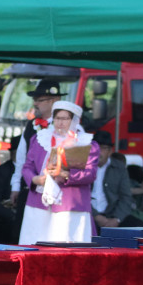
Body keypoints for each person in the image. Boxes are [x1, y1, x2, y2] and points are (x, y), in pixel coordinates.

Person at [18, 101, 98, 244]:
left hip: (70, 203)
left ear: (74, 120)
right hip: (39, 201)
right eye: (57, 118)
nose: (60, 123)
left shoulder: (86, 143)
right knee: (35, 242)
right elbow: (27, 167)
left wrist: (66, 175)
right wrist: (36, 179)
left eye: (65, 119)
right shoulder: (39, 139)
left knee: (66, 244)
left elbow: (90, 173)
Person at [9, 79, 65, 238]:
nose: (35, 104)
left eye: (39, 100)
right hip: (31, 186)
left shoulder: (63, 126)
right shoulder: (31, 125)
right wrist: (15, 186)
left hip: (56, 190)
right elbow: (21, 158)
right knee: (24, 232)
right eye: (35, 100)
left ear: (54, 101)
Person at [90, 130, 143, 230]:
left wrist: (116, 219)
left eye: (103, 148)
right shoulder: (83, 166)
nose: (98, 151)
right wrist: (96, 216)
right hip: (89, 215)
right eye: (96, 147)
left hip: (112, 215)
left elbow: (126, 197)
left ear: (110, 151)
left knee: (139, 228)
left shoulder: (119, 168)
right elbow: (80, 196)